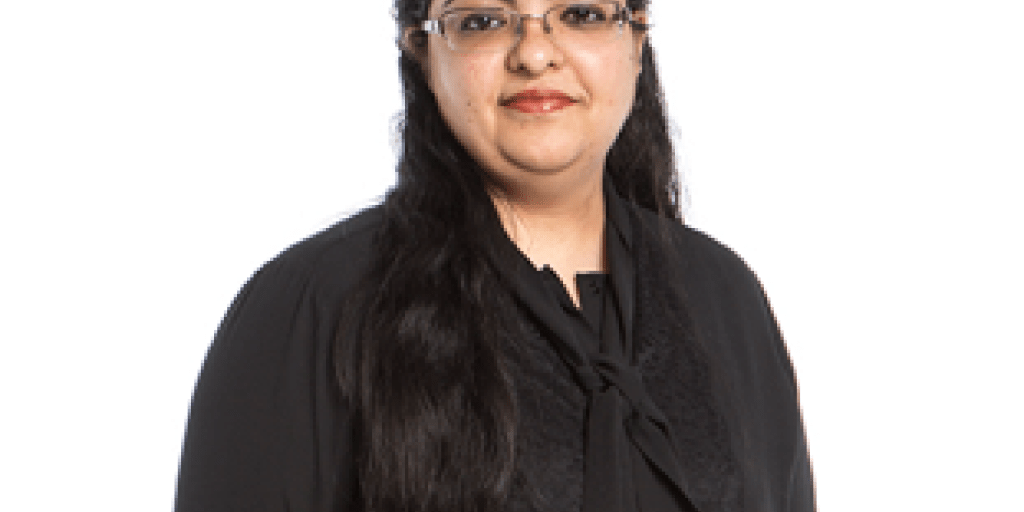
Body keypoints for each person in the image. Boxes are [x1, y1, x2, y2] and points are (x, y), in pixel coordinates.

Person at [174, 0, 816, 511]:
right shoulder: (309, 309)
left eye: (581, 14)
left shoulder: (726, 298)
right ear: (422, 49)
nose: (535, 54)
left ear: (637, 35)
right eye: (483, 20)